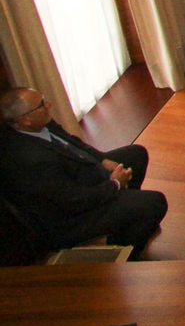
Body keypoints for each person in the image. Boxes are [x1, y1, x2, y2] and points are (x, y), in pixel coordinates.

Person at [0, 88, 168, 254]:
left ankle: (127, 215)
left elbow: (73, 142)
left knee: (136, 154)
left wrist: (102, 159)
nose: (48, 105)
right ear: (25, 120)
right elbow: (74, 200)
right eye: (41, 105)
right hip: (76, 215)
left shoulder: (39, 124)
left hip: (83, 175)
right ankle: (118, 246)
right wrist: (115, 184)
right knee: (156, 202)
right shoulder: (32, 159)